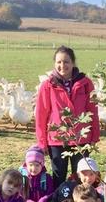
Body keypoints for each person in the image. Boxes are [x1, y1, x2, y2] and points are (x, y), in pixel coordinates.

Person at [35, 46, 100, 188]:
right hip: (57, 139)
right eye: (59, 62)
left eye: (66, 62)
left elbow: (92, 111)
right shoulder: (48, 85)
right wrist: (42, 142)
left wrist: (94, 136)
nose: (62, 65)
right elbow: (41, 114)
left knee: (82, 177)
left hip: (81, 138)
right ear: (54, 63)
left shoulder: (85, 84)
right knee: (59, 176)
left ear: (73, 63)